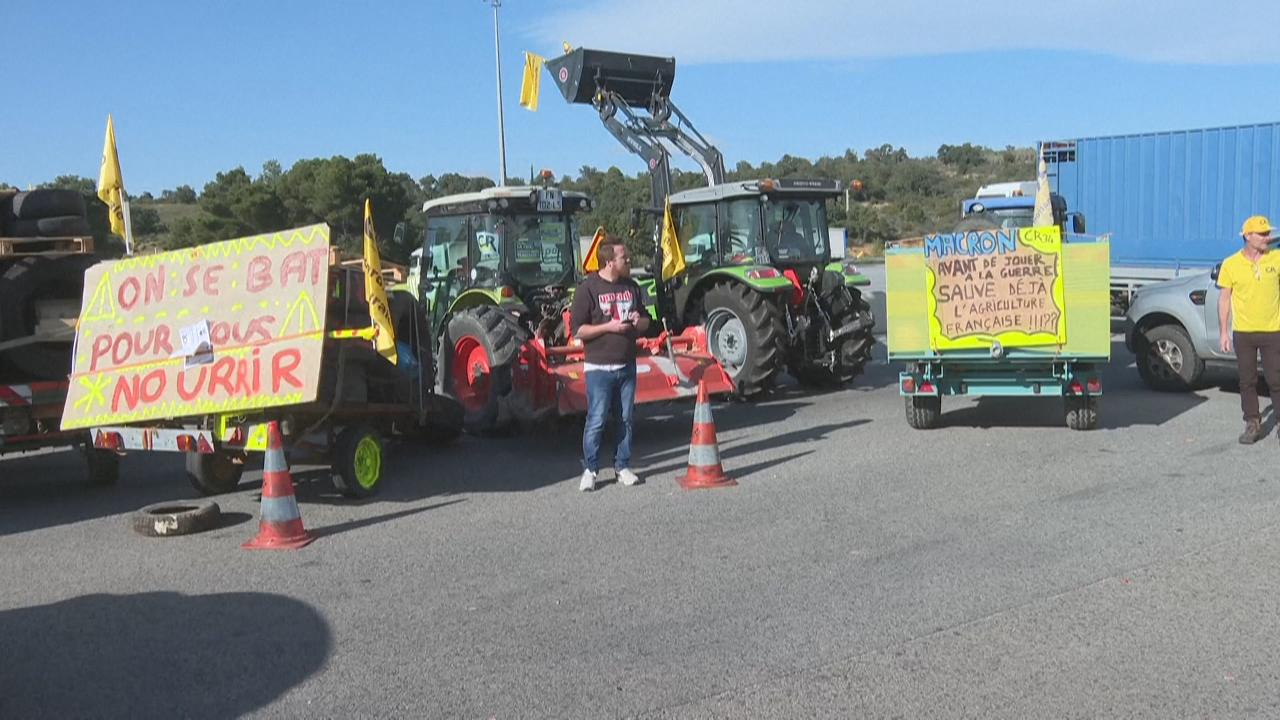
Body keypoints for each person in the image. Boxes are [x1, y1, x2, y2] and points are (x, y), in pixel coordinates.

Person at [569, 236, 650, 490]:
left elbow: (647, 323)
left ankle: (622, 467)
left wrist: (639, 321)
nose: (628, 260)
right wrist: (609, 327)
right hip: (598, 368)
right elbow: (577, 331)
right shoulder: (588, 289)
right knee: (596, 419)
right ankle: (590, 470)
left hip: (627, 366)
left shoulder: (632, 286)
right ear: (609, 262)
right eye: (623, 257)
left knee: (625, 419)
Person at [1217, 215, 1280, 444]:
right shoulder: (1231, 264)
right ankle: (1252, 423)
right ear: (1248, 236)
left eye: (1268, 233)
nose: (1267, 238)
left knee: (1276, 379)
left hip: (1274, 330)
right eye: (1262, 234)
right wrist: (1224, 331)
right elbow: (1224, 299)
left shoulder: (1277, 258)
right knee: (1247, 380)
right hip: (1244, 333)